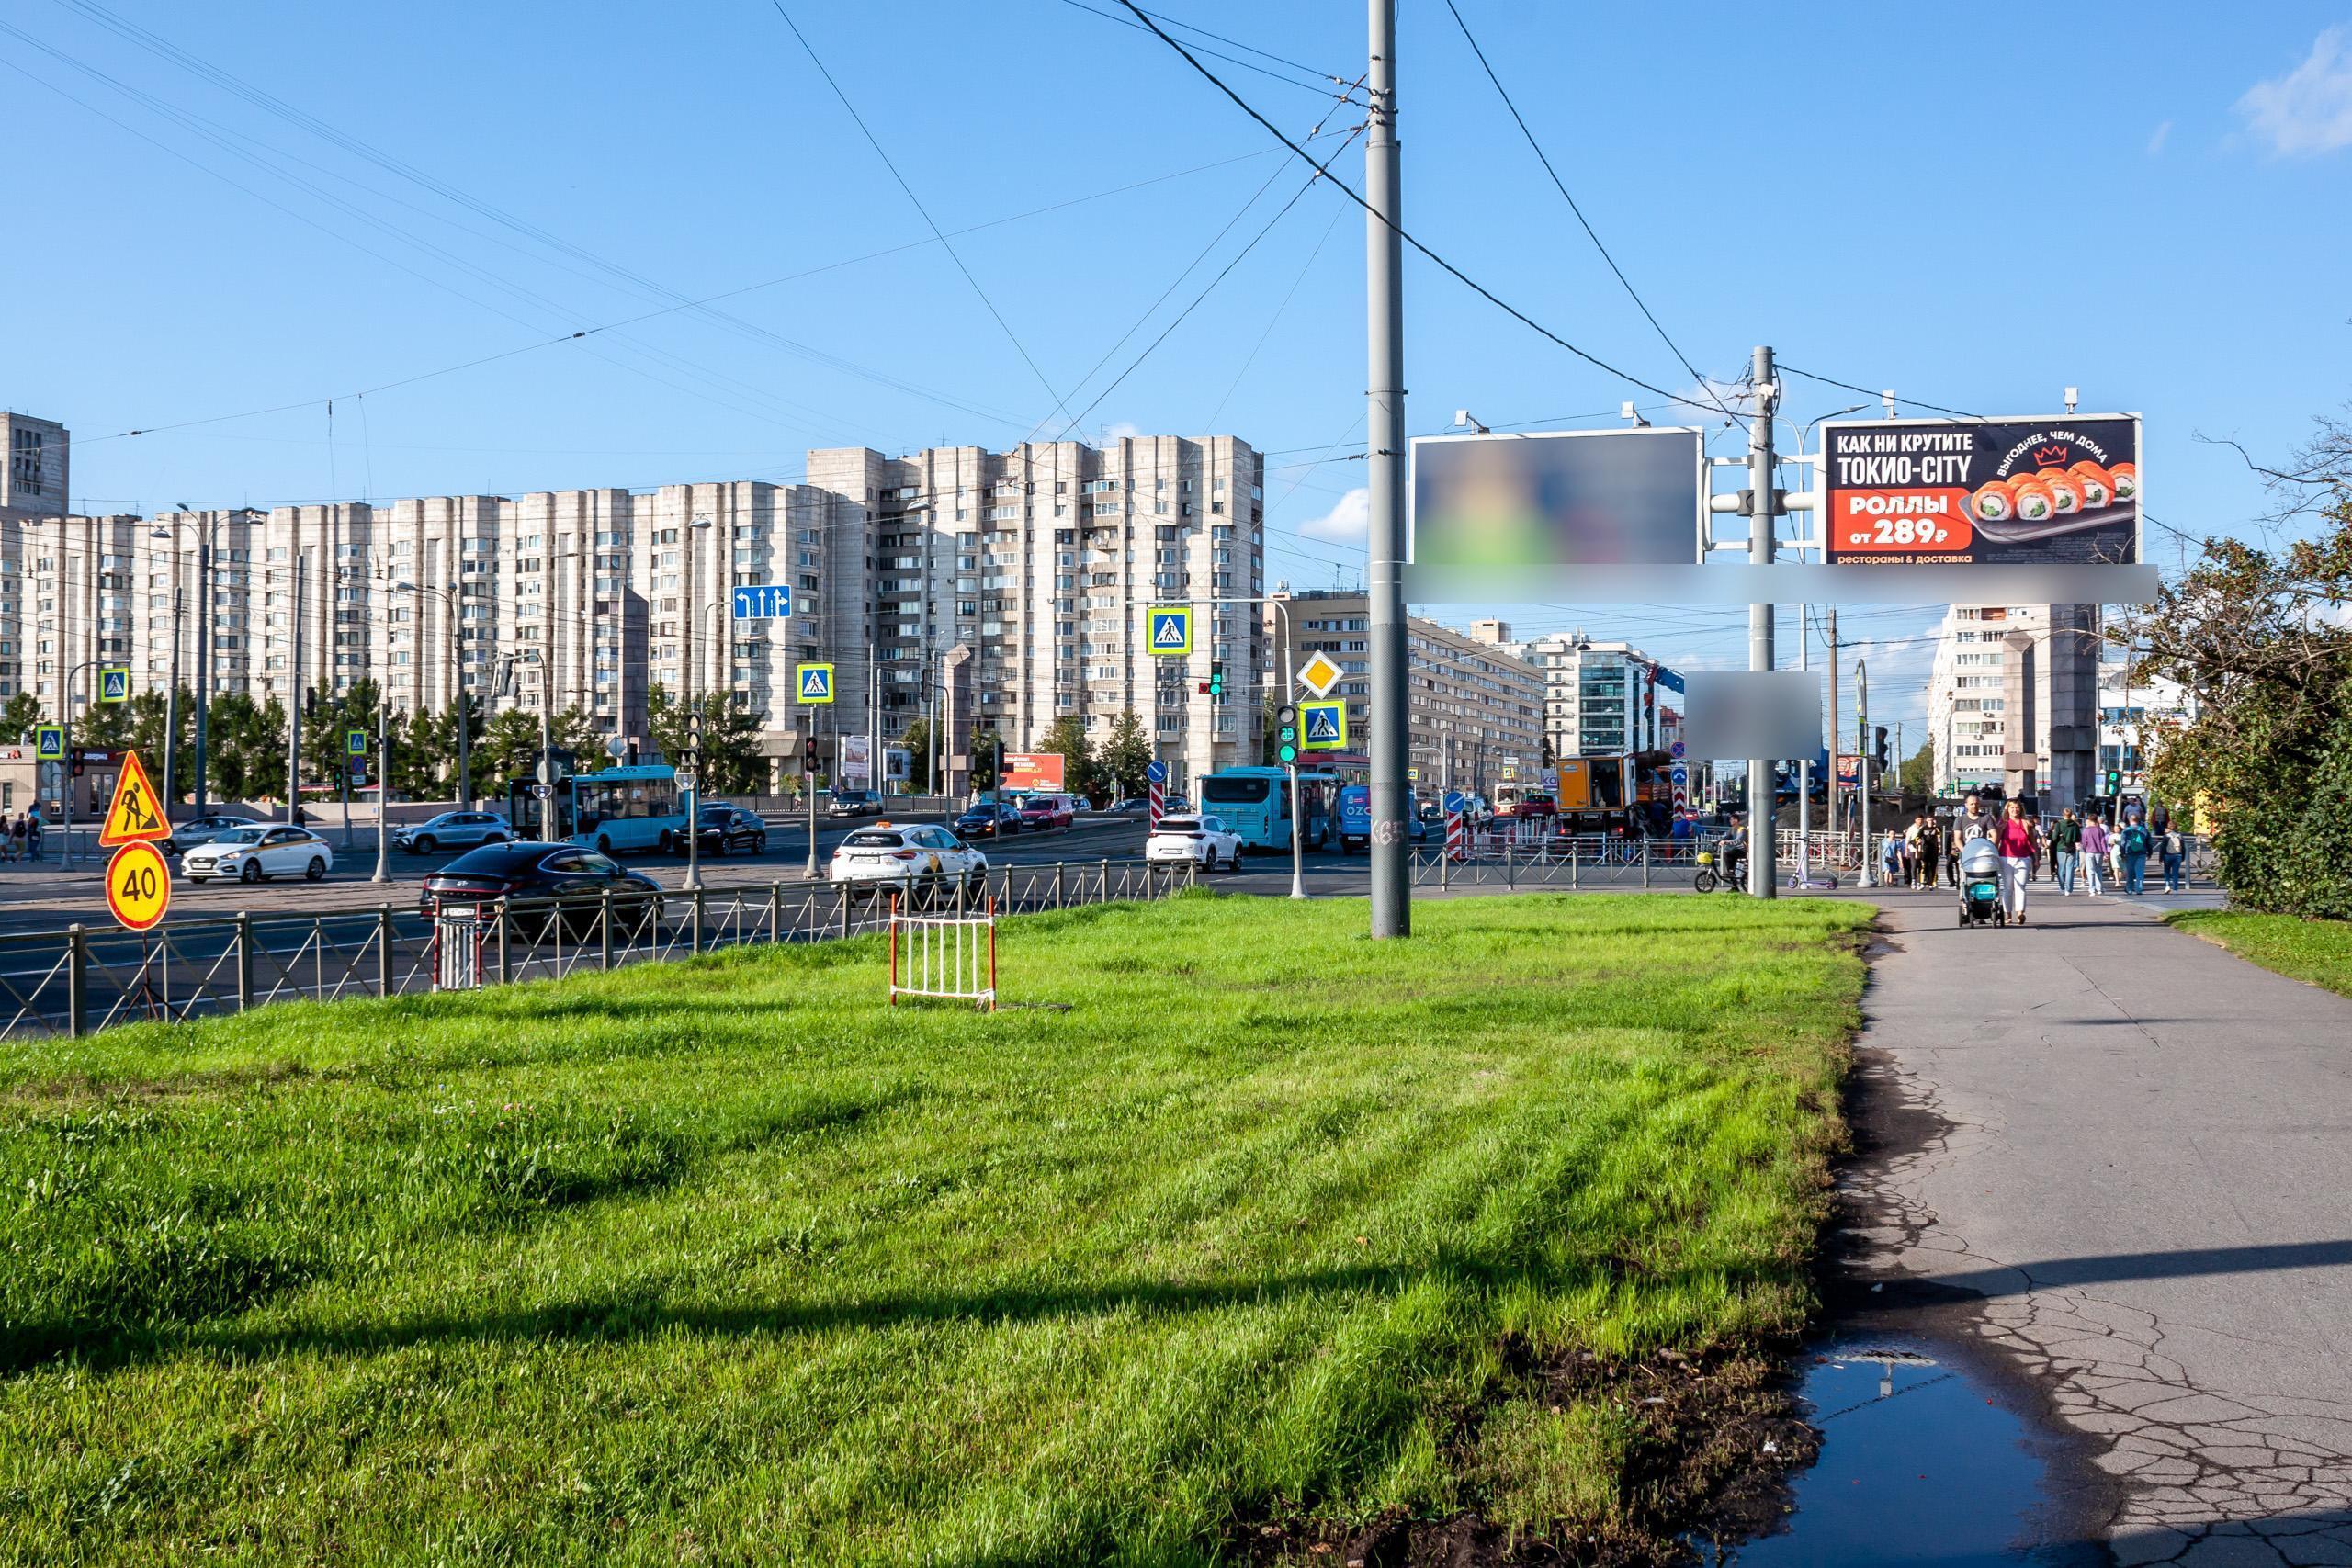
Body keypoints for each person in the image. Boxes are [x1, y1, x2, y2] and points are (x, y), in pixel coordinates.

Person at [1992, 796, 2041, 924]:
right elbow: (1996, 842)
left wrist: (2036, 858)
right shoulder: (2002, 823)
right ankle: (2007, 914)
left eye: (2017, 807)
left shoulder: (2026, 823)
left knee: (2021, 887)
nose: (2015, 810)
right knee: (2008, 888)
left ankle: (2020, 913)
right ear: (2007, 809)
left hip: (2023, 858)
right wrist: (1993, 855)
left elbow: (2033, 843)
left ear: (2021, 809)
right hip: (2006, 858)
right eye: (2012, 807)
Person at [1948, 794, 1996, 887]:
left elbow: (1994, 834)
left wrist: (1991, 848)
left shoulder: (1986, 817)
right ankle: (1965, 899)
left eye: (1977, 804)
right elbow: (1957, 839)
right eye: (1972, 804)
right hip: (1966, 854)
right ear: (1966, 805)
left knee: (1984, 878)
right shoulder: (1960, 819)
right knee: (1965, 880)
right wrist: (1965, 851)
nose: (1974, 806)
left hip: (1983, 854)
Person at [2051, 807, 2083, 896]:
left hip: (2061, 847)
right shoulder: (2075, 825)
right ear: (2071, 814)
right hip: (2071, 848)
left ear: (2063, 814)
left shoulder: (2058, 824)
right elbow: (2078, 838)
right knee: (2070, 869)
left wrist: (2059, 836)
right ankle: (2068, 889)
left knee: (2061, 869)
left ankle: (2061, 887)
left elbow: (2054, 838)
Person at [2119, 808, 2152, 895]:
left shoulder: (2126, 831)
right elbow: (2149, 842)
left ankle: (2129, 889)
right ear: (2138, 820)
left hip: (2130, 853)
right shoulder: (2144, 830)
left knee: (2130, 872)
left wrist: (2122, 853)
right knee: (2140, 872)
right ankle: (2139, 889)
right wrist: (2150, 852)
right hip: (2141, 853)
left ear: (2129, 820)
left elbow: (2123, 843)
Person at [2079, 813, 2109, 896]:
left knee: (2090, 871)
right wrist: (2105, 852)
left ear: (2089, 820)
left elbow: (2084, 843)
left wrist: (2083, 849)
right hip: (2099, 852)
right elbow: (2103, 842)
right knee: (2098, 870)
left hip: (2089, 852)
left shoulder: (2086, 830)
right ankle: (2099, 888)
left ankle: (2092, 889)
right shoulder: (2100, 830)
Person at [1916, 812, 1940, 890]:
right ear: (1926, 820)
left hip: (1934, 850)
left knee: (1933, 867)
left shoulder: (1936, 828)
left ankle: (1931, 883)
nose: (1930, 822)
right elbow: (1917, 837)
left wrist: (1935, 826)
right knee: (1924, 866)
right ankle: (1922, 882)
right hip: (1926, 850)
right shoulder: (1923, 828)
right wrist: (1918, 841)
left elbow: (1940, 835)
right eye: (1929, 820)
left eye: (1931, 820)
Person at [2160, 824, 2187, 894]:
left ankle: (2167, 886)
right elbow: (2183, 848)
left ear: (2169, 828)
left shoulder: (2166, 836)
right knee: (2175, 873)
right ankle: (2175, 889)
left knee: (2166, 871)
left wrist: (2160, 858)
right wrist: (2183, 857)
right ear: (2176, 828)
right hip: (2178, 856)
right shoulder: (2180, 836)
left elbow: (2162, 848)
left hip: (2167, 856)